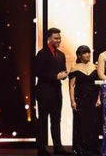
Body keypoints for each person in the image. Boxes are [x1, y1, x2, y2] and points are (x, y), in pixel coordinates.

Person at [34, 27, 69, 156]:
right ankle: (41, 148)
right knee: (43, 120)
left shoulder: (61, 55)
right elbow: (38, 72)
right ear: (49, 39)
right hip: (44, 92)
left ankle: (58, 147)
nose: (58, 40)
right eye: (56, 38)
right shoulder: (42, 54)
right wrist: (55, 76)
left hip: (56, 93)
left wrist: (64, 75)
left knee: (56, 120)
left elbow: (62, 70)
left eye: (59, 38)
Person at [68, 45, 100, 156]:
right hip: (80, 100)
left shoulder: (95, 67)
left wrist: (99, 99)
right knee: (80, 124)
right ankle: (80, 148)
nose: (87, 55)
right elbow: (71, 86)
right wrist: (72, 101)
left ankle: (93, 148)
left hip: (93, 100)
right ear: (79, 55)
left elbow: (99, 85)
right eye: (85, 53)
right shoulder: (75, 68)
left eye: (88, 52)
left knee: (93, 124)